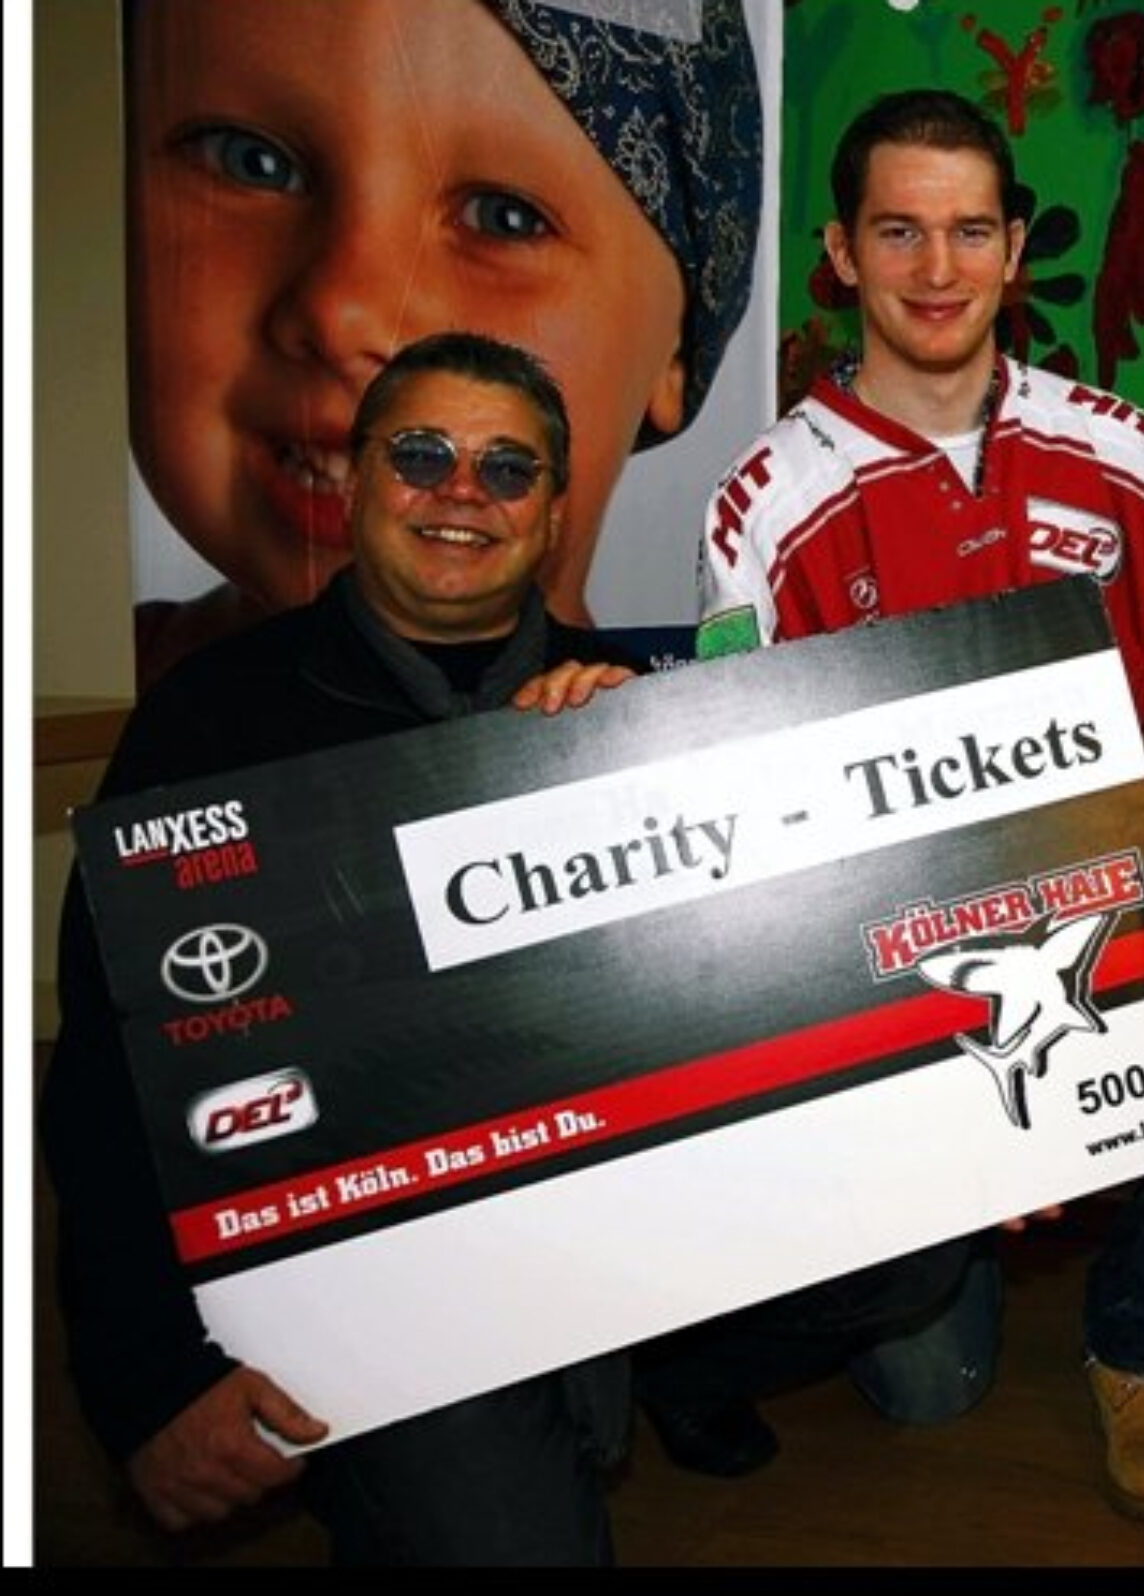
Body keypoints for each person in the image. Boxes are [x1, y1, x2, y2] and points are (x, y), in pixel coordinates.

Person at [686, 87, 1144, 1518]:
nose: (938, 268)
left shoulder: (1126, 448)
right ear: (840, 252)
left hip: (1122, 910)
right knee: (931, 1384)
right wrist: (963, 1056)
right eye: (899, 232)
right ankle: (952, 1223)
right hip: (903, 969)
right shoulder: (765, 501)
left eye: (971, 231)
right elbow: (749, 808)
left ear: (1016, 249)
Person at [41, 331, 647, 1563]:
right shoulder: (208, 718)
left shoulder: (639, 696)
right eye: (420, 455)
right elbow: (110, 1068)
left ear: (553, 511)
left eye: (507, 468)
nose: (462, 492)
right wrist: (149, 1377)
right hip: (381, 1268)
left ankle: (661, 1386)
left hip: (636, 1216)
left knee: (908, 1285)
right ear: (357, 479)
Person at [123, 0, 762, 687]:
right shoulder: (116, 714)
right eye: (252, 162)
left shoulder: (663, 734)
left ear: (677, 350)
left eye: (505, 219)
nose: (344, 313)